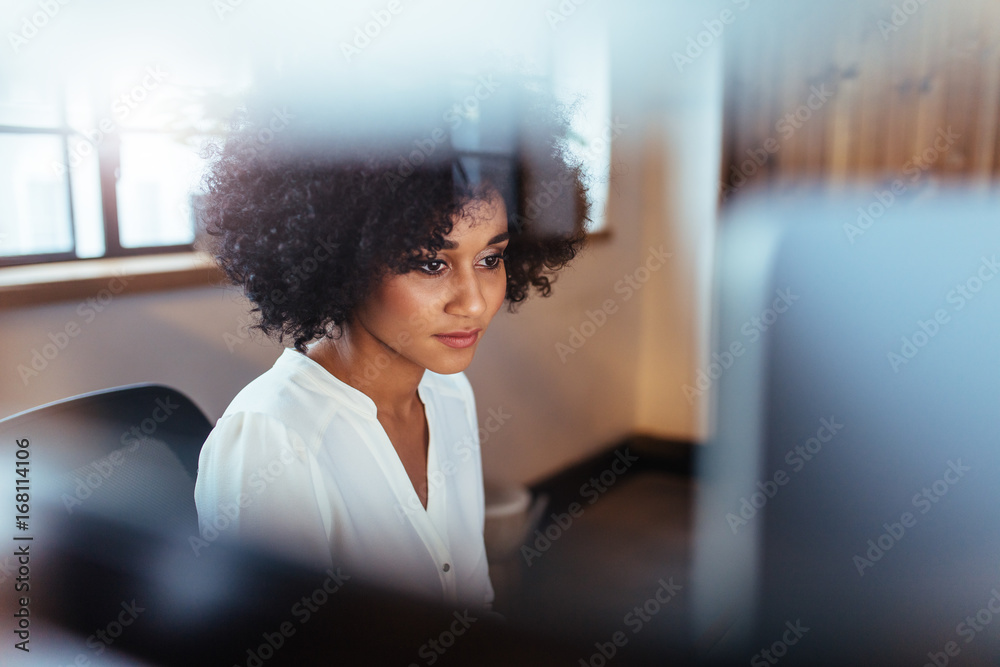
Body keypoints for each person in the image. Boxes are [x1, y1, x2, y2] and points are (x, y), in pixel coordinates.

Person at [193, 73, 589, 612]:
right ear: (341, 259)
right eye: (431, 263)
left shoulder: (450, 394)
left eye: (490, 259)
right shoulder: (274, 439)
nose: (473, 302)